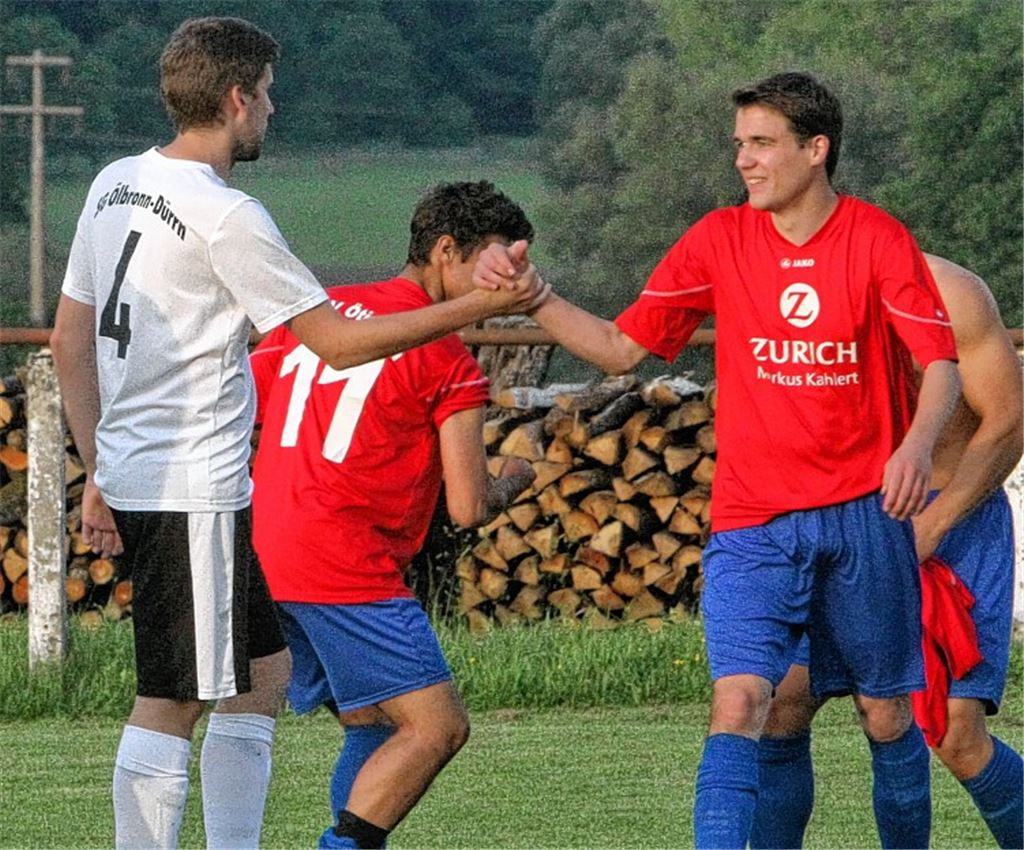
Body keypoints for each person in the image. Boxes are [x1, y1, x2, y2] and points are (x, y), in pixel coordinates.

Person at [49, 18, 545, 850]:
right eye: (269, 94)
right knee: (173, 697)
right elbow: (336, 342)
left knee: (262, 676)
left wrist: (102, 461)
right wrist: (478, 309)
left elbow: (71, 338)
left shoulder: (115, 182)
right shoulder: (227, 213)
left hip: (169, 476)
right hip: (192, 483)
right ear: (238, 98)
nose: (271, 112)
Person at [474, 71, 962, 849]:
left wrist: (914, 445)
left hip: (865, 514)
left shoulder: (877, 238)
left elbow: (941, 365)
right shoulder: (718, 240)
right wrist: (536, 297)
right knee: (740, 702)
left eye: (762, 143)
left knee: (886, 713)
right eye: (740, 145)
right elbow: (620, 348)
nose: (744, 160)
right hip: (754, 520)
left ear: (816, 149)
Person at [249, 180, 538, 850]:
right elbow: (467, 507)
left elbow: (250, 405)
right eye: (495, 263)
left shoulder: (319, 319)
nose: (505, 283)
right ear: (446, 252)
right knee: (438, 727)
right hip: (342, 559)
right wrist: (515, 480)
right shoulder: (447, 358)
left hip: (266, 547)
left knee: (373, 725)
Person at [750, 254, 1023, 850]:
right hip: (833, 521)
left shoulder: (952, 292)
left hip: (952, 516)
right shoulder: (776, 298)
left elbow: (1007, 421)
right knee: (780, 702)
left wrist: (930, 527)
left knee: (956, 735)